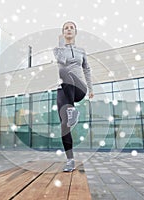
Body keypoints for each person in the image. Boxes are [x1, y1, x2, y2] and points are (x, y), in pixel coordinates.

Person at [53, 21, 94, 172]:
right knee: (64, 125)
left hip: (79, 88)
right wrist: (61, 43)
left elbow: (87, 70)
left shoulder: (81, 51)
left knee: (66, 72)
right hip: (63, 89)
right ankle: (70, 160)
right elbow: (61, 61)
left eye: (71, 28)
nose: (69, 30)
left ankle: (72, 110)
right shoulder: (58, 49)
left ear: (75, 32)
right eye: (66, 28)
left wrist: (90, 88)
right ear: (63, 33)